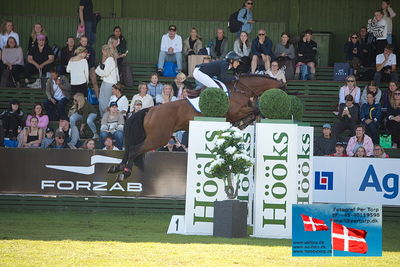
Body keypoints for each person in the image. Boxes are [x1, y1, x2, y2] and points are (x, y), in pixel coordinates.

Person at [96, 44, 120, 117]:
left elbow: (105, 73)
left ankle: (105, 117)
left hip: (108, 83)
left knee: (104, 101)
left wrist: (97, 70)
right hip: (108, 83)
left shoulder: (110, 59)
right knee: (105, 100)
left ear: (104, 51)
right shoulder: (110, 59)